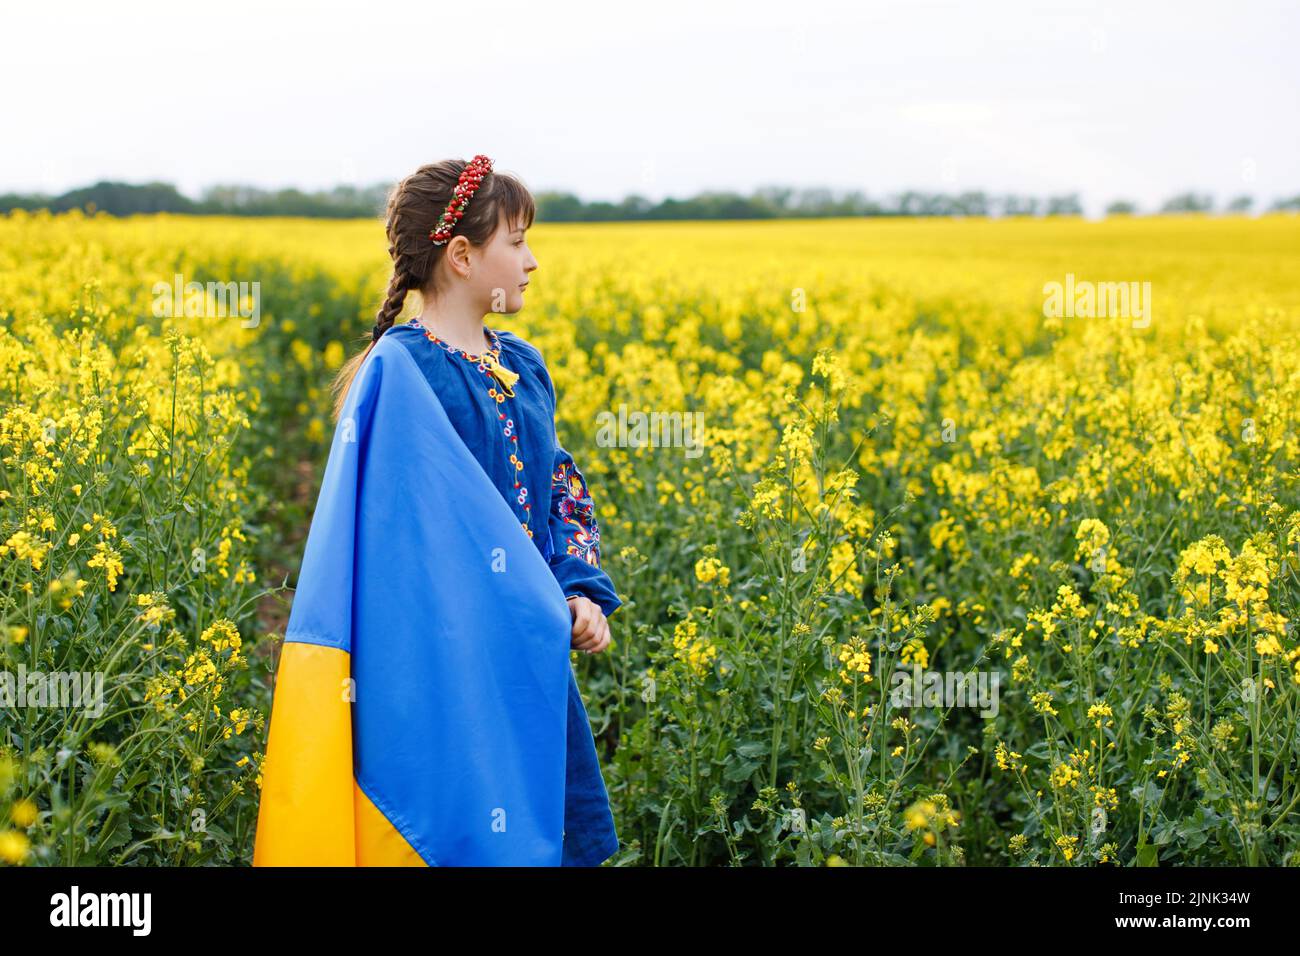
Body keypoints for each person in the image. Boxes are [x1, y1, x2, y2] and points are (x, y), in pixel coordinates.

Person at [253, 156, 621, 867]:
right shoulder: (402, 370)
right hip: (448, 660)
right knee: (457, 824)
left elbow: (560, 488)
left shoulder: (524, 364)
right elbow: (395, 546)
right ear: (461, 256)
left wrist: (578, 588)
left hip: (526, 649)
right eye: (516, 242)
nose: (532, 260)